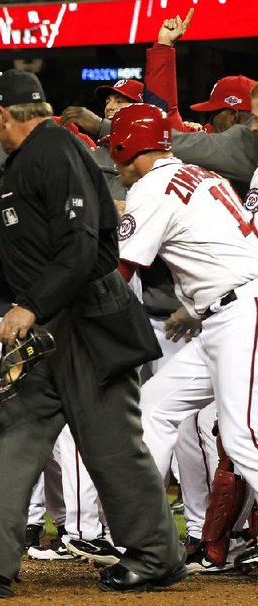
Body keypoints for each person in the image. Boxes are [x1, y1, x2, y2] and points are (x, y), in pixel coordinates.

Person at [0, 70, 185, 597]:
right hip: (50, 324)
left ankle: (156, 556)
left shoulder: (57, 149)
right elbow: (39, 239)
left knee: (110, 442)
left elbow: (82, 244)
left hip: (88, 316)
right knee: (14, 426)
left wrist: (30, 305)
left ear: (2, 117)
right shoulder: (29, 159)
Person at [110, 103, 258, 572]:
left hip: (242, 311)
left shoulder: (152, 187)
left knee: (242, 436)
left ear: (124, 147)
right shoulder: (195, 171)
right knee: (155, 405)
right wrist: (194, 309)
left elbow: (122, 270)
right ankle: (148, 537)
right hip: (219, 314)